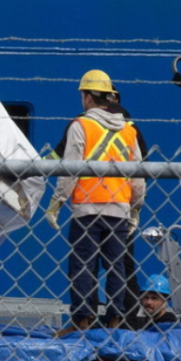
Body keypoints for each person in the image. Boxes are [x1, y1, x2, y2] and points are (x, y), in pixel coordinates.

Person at [46, 69, 145, 333]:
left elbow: (71, 168)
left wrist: (56, 203)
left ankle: (82, 321)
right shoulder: (129, 130)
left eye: (83, 95)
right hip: (119, 210)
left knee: (82, 266)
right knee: (116, 267)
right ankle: (115, 321)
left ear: (89, 97)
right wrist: (136, 209)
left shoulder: (81, 125)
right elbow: (138, 175)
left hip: (87, 210)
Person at [107, 88, 149, 319]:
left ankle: (88, 318)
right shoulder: (131, 128)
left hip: (93, 203)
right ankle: (126, 316)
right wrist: (136, 206)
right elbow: (142, 169)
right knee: (123, 263)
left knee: (88, 265)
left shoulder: (91, 123)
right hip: (123, 204)